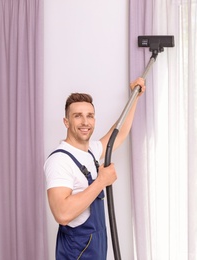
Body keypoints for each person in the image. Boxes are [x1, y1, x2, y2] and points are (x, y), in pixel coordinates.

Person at [44, 78, 145, 259]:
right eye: (78, 116)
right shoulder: (59, 160)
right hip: (76, 253)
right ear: (66, 122)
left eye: (89, 115)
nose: (85, 122)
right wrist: (100, 182)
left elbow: (119, 133)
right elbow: (62, 213)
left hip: (96, 248)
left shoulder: (91, 151)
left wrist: (135, 96)